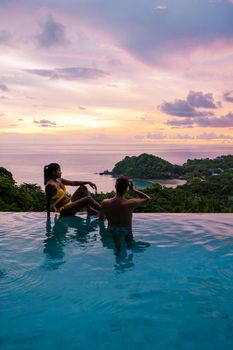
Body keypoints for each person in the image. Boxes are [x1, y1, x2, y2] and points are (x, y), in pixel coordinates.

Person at [99, 176, 150, 251]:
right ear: (127, 188)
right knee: (132, 247)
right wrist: (133, 190)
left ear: (115, 186)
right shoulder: (130, 203)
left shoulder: (105, 202)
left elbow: (101, 220)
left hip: (110, 231)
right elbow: (147, 199)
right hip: (126, 232)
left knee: (117, 249)